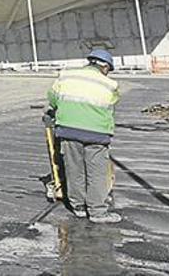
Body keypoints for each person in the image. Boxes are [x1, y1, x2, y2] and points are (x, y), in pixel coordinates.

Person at [47, 48, 121, 224]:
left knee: (74, 169)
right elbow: (111, 105)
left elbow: (53, 99)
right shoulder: (110, 85)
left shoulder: (66, 76)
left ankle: (78, 207)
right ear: (105, 67)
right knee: (97, 172)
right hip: (96, 134)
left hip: (68, 130)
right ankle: (97, 212)